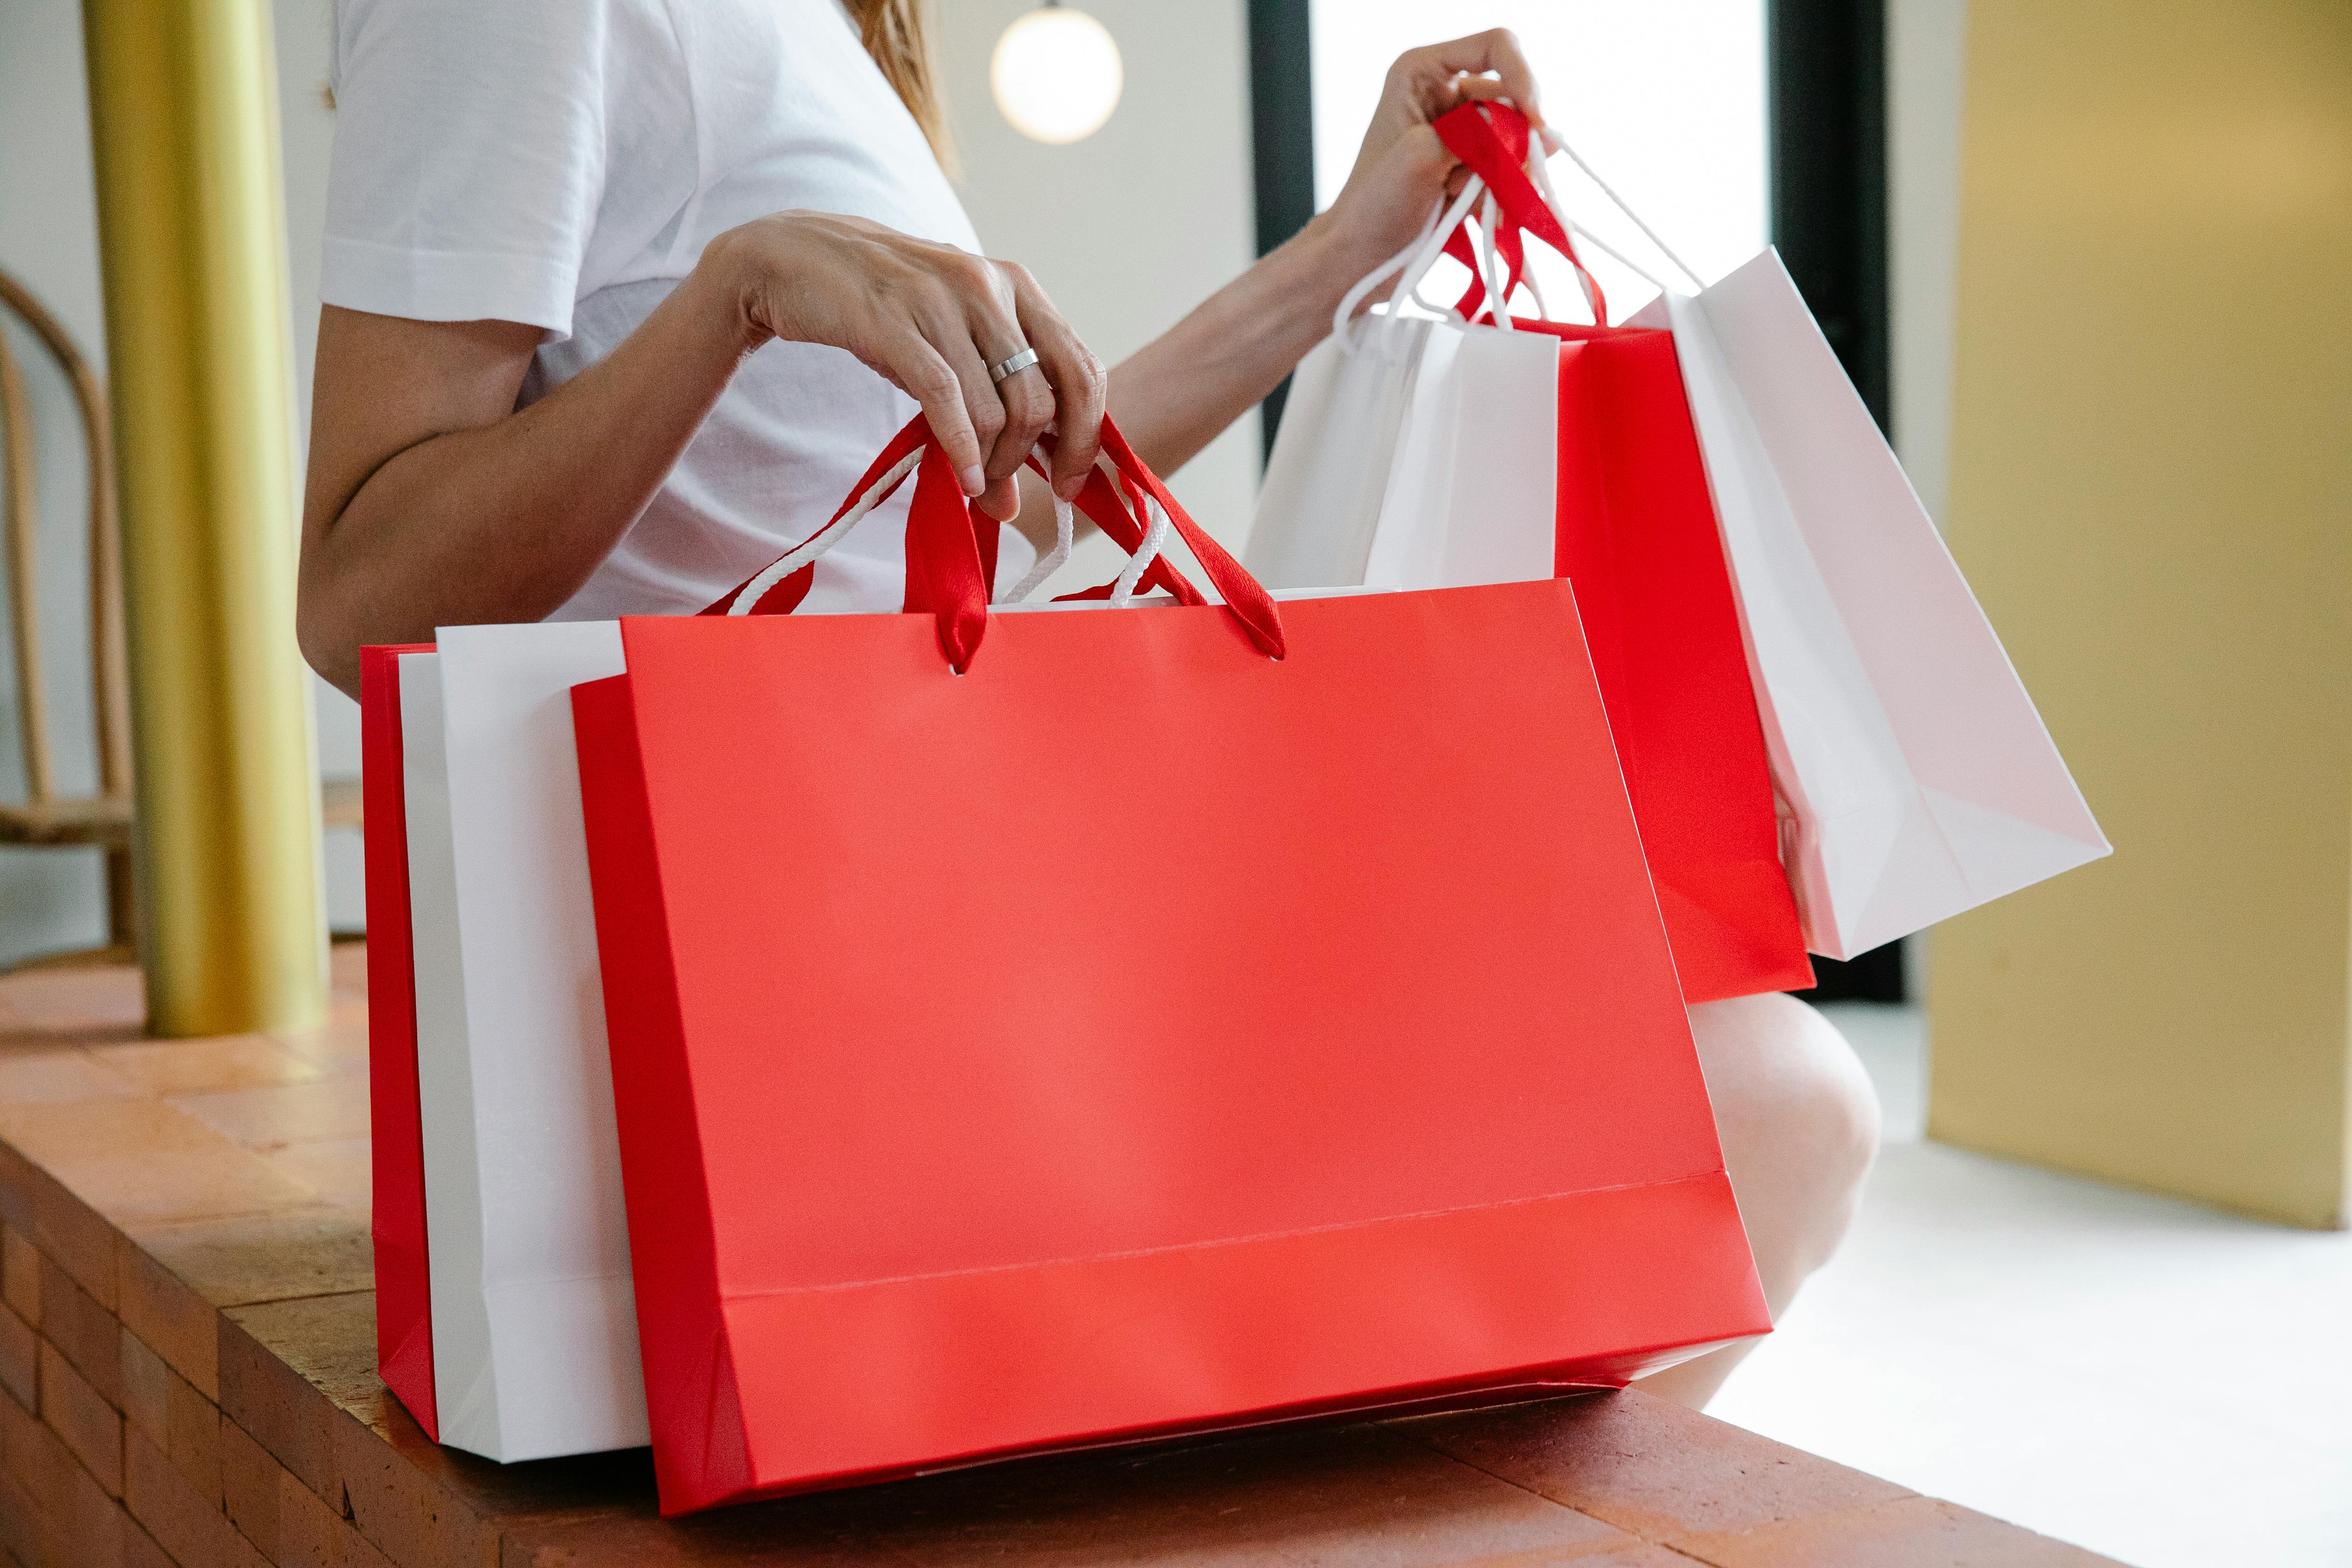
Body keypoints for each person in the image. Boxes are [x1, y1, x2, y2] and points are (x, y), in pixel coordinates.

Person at [298, 0, 1877, 1408]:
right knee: (1768, 1105)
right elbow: (361, 593)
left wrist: (1346, 254)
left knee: (1766, 1100)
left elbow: (1007, 489)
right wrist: (731, 300)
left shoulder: (827, 27)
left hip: (905, 894)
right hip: (767, 980)